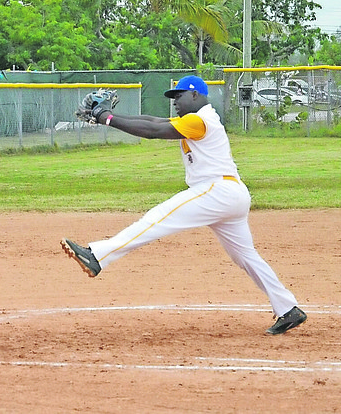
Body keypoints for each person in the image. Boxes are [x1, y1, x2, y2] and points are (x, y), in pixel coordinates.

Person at [61, 75, 306, 335]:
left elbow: (154, 132)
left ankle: (98, 255)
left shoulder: (200, 120)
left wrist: (106, 118)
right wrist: (110, 115)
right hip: (230, 194)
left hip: (217, 191)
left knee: (158, 217)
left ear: (196, 96)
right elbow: (154, 122)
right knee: (246, 256)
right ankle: (287, 308)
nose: (175, 101)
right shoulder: (195, 120)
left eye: (179, 95)